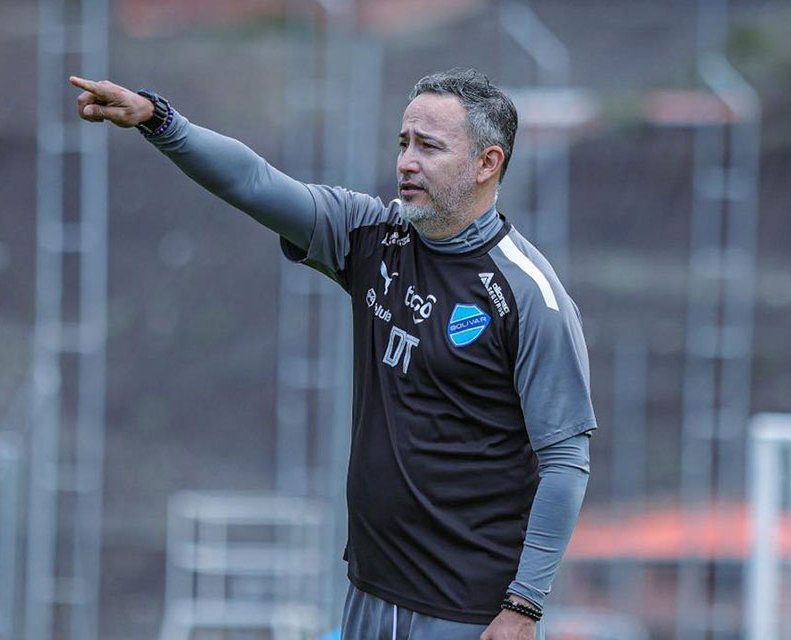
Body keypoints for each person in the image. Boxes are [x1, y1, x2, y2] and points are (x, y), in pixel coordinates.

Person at [69, 67, 595, 639]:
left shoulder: (529, 297)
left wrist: (523, 607)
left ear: (487, 163)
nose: (406, 162)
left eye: (428, 147)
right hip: (368, 593)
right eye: (403, 142)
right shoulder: (371, 235)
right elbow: (255, 183)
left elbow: (566, 462)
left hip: (465, 614)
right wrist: (159, 120)